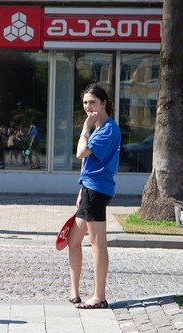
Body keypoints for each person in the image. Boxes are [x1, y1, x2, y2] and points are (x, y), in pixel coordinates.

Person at [66, 84, 121, 310]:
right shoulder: (100, 128)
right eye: (86, 103)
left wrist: (85, 128)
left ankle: (99, 296)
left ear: (104, 103)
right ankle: (74, 291)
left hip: (97, 191)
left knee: (98, 243)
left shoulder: (107, 129)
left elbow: (80, 153)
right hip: (89, 189)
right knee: (72, 240)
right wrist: (81, 189)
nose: (88, 107)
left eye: (93, 102)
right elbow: (89, 164)